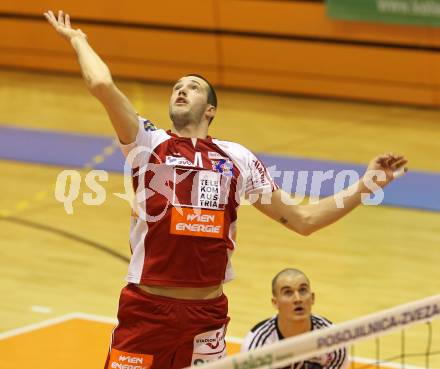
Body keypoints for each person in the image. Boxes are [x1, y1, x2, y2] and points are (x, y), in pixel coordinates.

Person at [44, 10, 408, 369]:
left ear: (211, 109)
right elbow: (102, 86)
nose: (181, 90)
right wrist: (79, 40)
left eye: (193, 87)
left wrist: (368, 184)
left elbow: (304, 219)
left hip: (207, 317)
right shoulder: (148, 143)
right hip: (147, 312)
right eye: (176, 87)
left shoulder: (237, 158)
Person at [241, 269, 349, 369]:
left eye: (302, 290)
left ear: (312, 298)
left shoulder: (333, 339)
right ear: (275, 303)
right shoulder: (257, 346)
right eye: (288, 292)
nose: (298, 299)